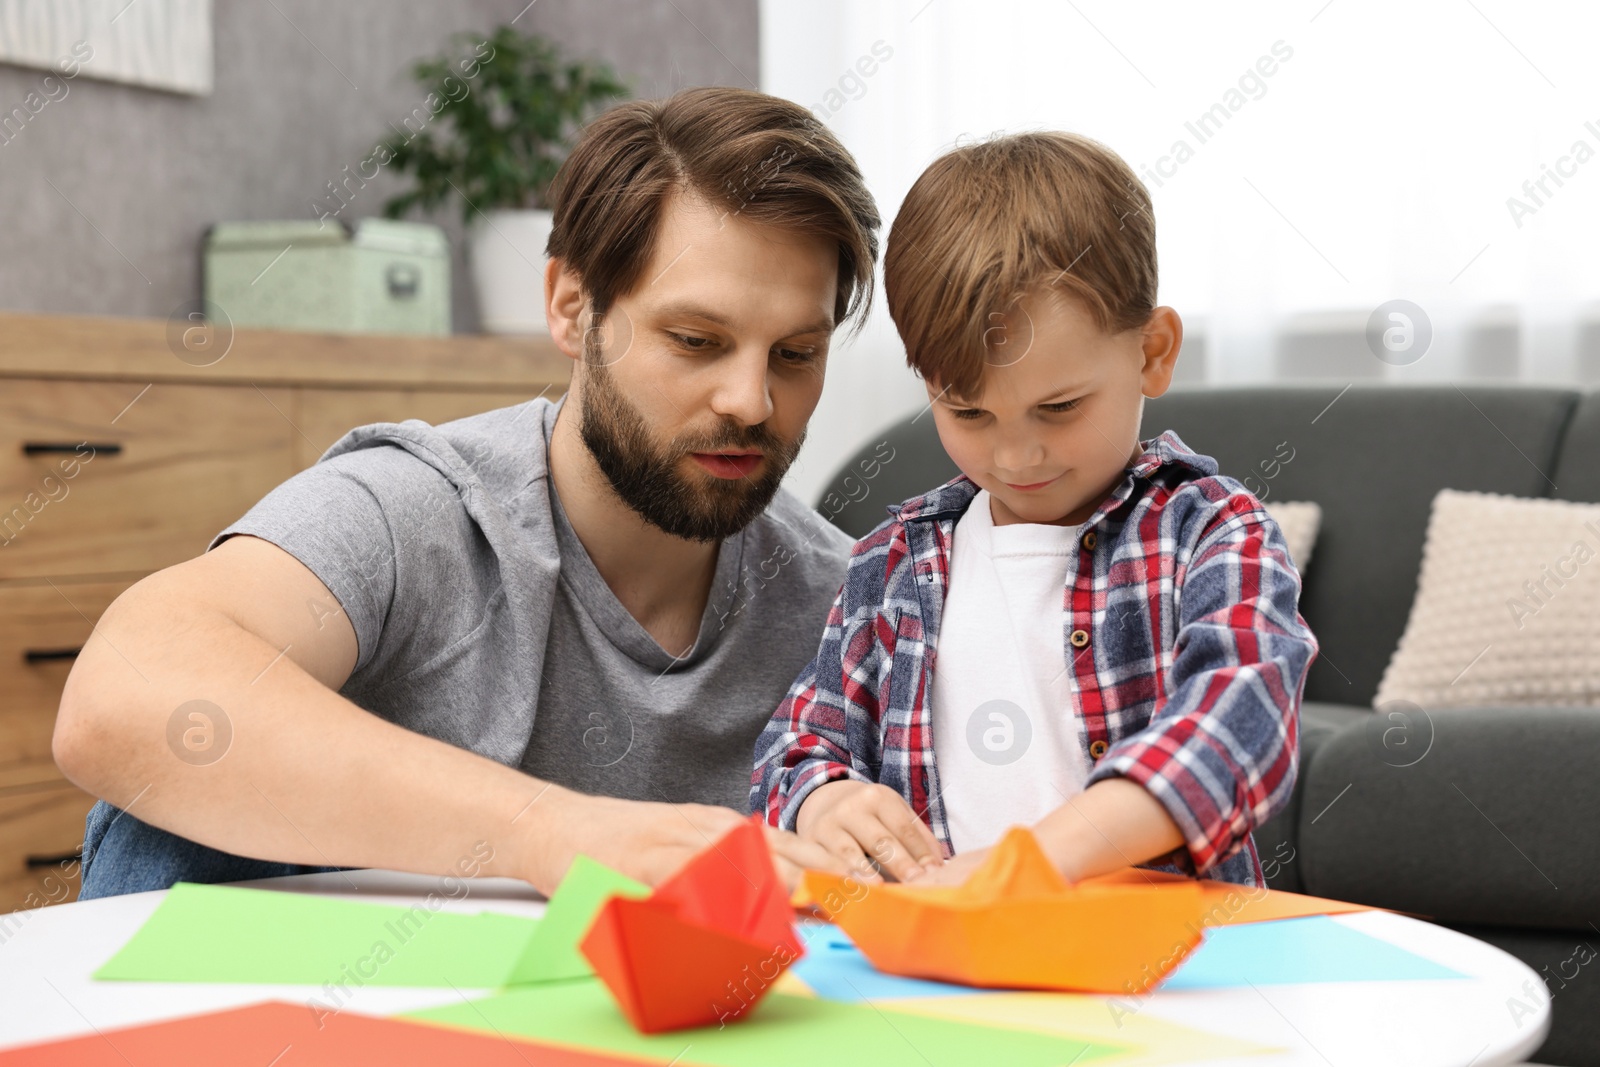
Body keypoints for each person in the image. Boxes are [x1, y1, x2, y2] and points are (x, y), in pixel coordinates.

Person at [55, 86, 880, 898]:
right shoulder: (416, 510)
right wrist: (550, 832)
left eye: (795, 354)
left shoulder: (843, 599)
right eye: (696, 340)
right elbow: (120, 699)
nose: (751, 401)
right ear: (569, 305)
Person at [752, 131, 1317, 888]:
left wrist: (1036, 862)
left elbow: (1237, 725)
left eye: (1058, 407)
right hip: (944, 970)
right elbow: (794, 747)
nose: (1017, 457)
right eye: (970, 413)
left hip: (1164, 972)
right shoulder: (892, 564)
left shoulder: (1212, 534)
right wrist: (825, 801)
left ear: (1152, 351)